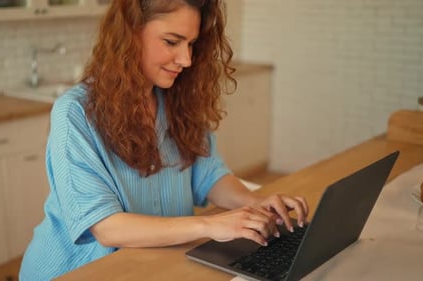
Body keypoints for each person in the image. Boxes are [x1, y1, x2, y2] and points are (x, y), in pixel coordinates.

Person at [19, 0, 309, 280]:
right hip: (79, 271)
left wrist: (256, 203)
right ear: (130, 33)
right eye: (172, 42)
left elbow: (209, 175)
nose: (186, 59)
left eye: (191, 44)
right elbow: (108, 228)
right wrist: (210, 224)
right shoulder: (75, 113)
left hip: (153, 262)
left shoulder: (176, 100)